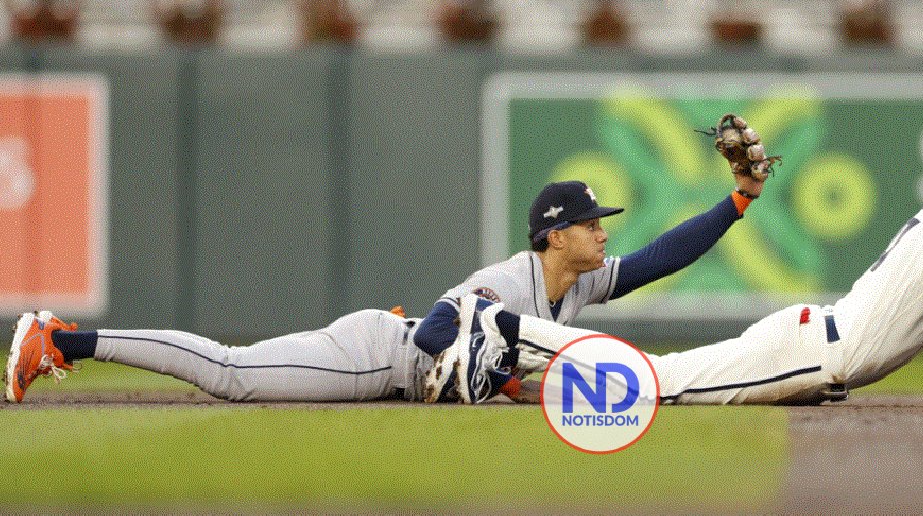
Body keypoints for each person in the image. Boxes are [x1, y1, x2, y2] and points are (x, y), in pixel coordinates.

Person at [5, 167, 771, 404]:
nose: (604, 234)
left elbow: (662, 257)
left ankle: (63, 339)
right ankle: (62, 339)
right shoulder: (511, 280)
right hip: (379, 355)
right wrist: (495, 370)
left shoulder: (578, 283)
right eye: (591, 223)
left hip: (397, 364)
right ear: (554, 234)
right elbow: (439, 328)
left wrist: (737, 201)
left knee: (235, 374)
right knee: (234, 374)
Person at [432, 117, 923, 408]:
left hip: (814, 347)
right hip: (813, 350)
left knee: (657, 379)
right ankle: (497, 327)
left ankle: (503, 346)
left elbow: (656, 259)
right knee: (657, 384)